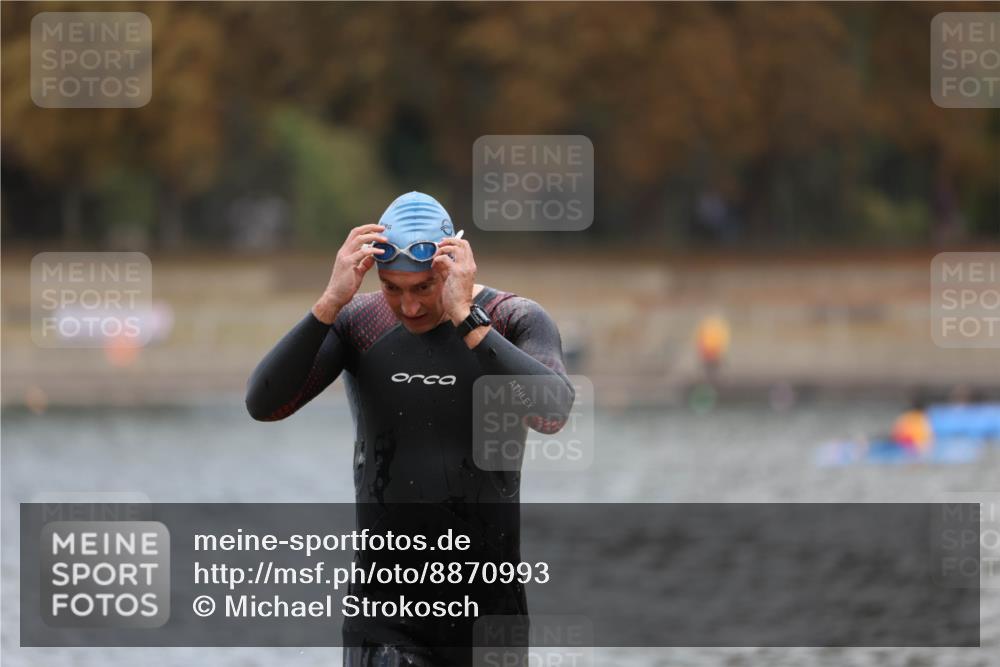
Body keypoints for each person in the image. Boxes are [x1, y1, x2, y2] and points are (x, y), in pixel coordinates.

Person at [245, 191, 575, 666]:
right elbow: (264, 403)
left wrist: (467, 318)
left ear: (452, 266)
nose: (410, 306)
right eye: (392, 288)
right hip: (384, 614)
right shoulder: (359, 323)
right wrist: (330, 303)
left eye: (424, 288)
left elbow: (552, 412)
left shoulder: (512, 318)